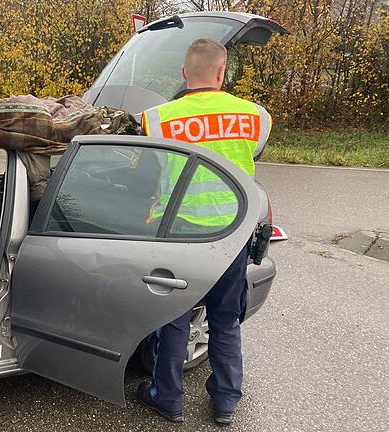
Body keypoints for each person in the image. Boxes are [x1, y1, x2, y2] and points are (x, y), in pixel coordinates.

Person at [136, 38, 272, 426]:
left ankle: (167, 399)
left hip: (178, 235)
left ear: (183, 73)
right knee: (225, 319)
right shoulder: (255, 116)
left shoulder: (157, 117)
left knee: (173, 317)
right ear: (222, 71)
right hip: (233, 233)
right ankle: (226, 401)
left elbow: (145, 170)